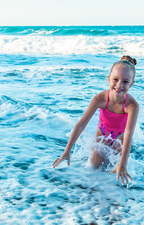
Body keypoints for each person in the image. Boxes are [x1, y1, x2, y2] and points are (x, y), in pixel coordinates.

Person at [52, 56, 139, 185]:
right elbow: (81, 125)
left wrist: (123, 163)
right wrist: (67, 150)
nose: (119, 85)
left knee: (115, 174)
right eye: (115, 79)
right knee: (92, 170)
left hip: (120, 138)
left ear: (131, 83)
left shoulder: (132, 105)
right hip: (102, 135)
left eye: (125, 82)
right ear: (109, 78)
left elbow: (128, 134)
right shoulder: (100, 99)